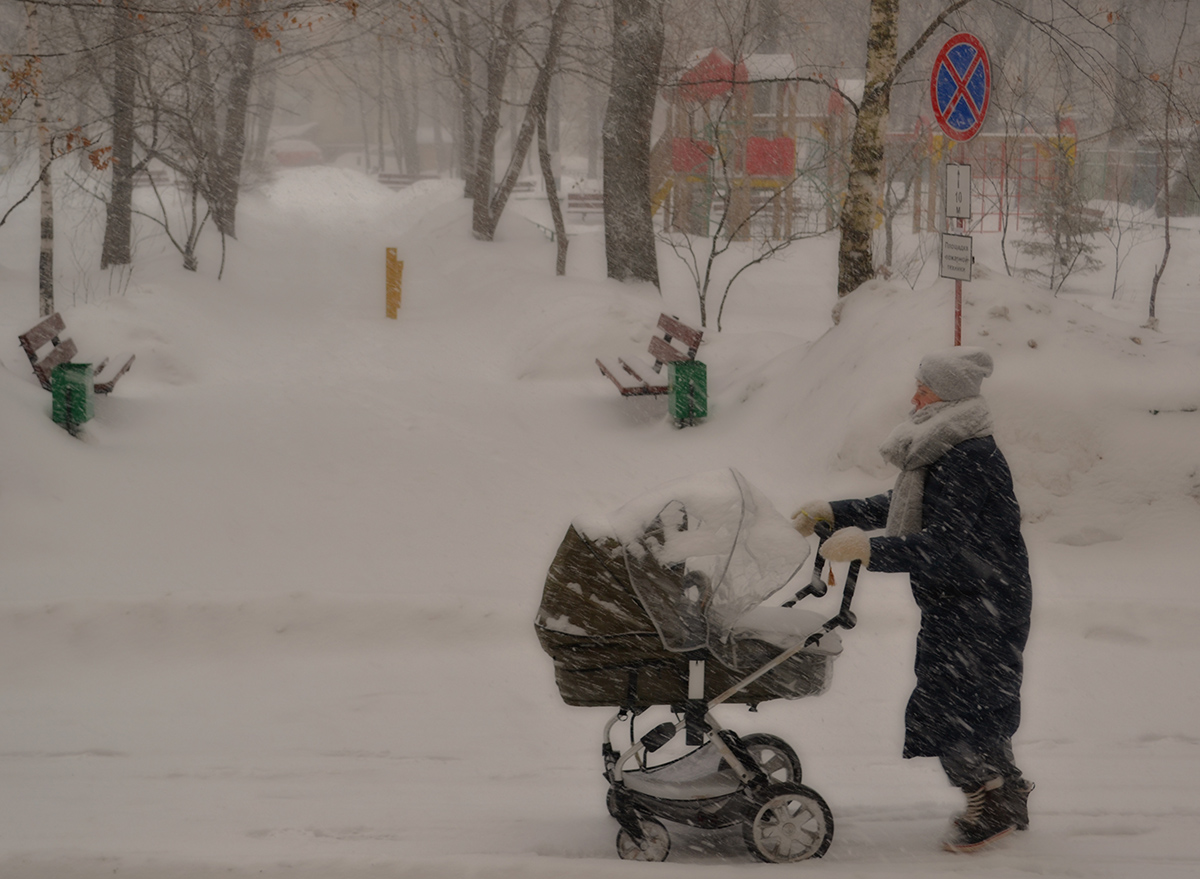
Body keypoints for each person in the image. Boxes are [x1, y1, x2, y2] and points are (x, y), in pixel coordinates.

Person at [792, 347, 1033, 853]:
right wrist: (835, 513)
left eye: (923, 388)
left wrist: (869, 550)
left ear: (945, 396)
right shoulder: (945, 446)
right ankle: (1004, 793)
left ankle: (989, 802)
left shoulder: (968, 455)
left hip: (981, 600)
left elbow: (947, 545)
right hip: (972, 598)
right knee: (976, 699)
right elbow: (903, 504)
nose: (914, 396)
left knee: (950, 705)